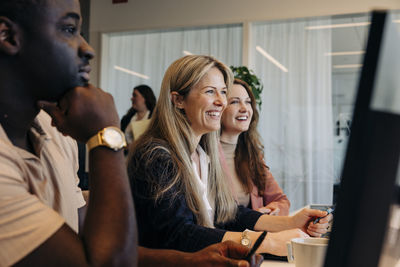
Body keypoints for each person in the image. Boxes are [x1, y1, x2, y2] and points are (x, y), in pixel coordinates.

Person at [0, 1, 262, 266]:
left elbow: (91, 243)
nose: (87, 48)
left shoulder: (55, 133)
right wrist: (105, 135)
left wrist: (192, 260)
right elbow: (108, 262)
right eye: (68, 29)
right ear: (7, 36)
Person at [128, 55, 332, 257]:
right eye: (210, 91)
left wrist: (291, 222)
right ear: (178, 99)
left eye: (223, 93)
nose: (221, 102)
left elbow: (227, 213)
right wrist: (265, 241)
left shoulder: (201, 154)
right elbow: (178, 235)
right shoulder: (155, 155)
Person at [220, 78, 290, 216]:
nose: (244, 108)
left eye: (248, 102)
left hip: (251, 236)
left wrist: (273, 209)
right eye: (234, 102)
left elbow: (281, 201)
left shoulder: (252, 155)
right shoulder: (202, 157)